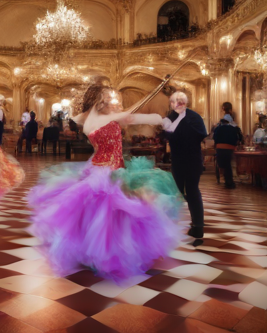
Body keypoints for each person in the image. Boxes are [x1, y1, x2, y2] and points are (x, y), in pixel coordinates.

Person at [28, 86, 182, 282]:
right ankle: (109, 255)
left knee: (105, 213)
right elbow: (136, 118)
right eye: (111, 99)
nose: (115, 103)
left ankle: (95, 253)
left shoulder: (87, 119)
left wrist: (124, 112)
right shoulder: (106, 119)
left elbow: (83, 119)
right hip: (109, 169)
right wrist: (163, 119)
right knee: (115, 211)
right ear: (101, 101)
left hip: (100, 166)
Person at [162, 91, 207, 241]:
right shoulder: (169, 118)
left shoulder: (194, 116)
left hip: (193, 158)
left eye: (181, 100)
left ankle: (198, 226)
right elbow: (166, 135)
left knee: (193, 190)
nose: (179, 103)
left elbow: (201, 133)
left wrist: (181, 126)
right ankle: (170, 226)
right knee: (177, 192)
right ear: (171, 103)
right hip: (178, 159)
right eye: (176, 100)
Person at [213, 114, 238, 189]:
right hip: (230, 148)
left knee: (223, 165)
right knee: (228, 165)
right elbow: (236, 138)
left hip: (220, 148)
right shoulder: (233, 129)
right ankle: (229, 181)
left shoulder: (218, 128)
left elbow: (215, 137)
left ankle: (227, 180)